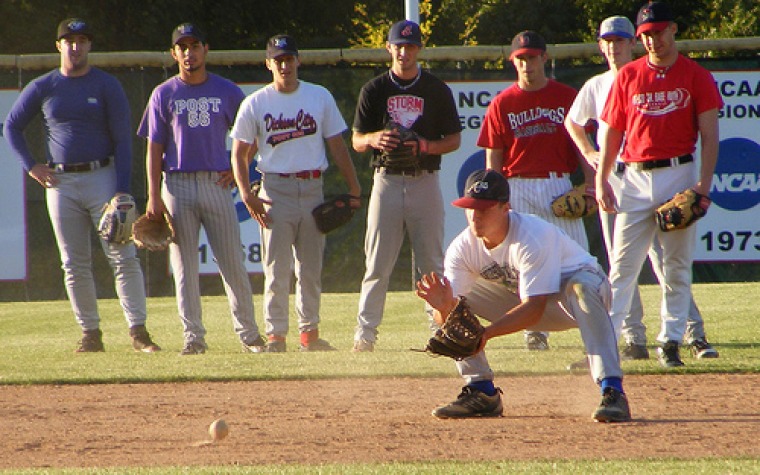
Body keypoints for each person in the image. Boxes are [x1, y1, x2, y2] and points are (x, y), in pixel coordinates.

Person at [416, 169, 631, 423]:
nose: (475, 216)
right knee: (450, 302)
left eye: (483, 208)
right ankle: (481, 391)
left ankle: (612, 390)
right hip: (524, 297)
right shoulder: (462, 249)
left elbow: (534, 308)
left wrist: (486, 334)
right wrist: (445, 309)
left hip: (577, 296)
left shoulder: (532, 236)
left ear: (505, 207)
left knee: (581, 288)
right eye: (470, 207)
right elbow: (450, 319)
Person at [565, 15, 718, 363]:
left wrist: (703, 186)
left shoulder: (696, 75)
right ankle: (605, 347)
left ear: (673, 29)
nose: (652, 40)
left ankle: (671, 341)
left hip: (678, 173)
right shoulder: (629, 76)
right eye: (645, 34)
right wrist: (601, 178)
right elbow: (613, 133)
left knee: (676, 265)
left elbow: (710, 135)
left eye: (657, 32)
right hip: (632, 177)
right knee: (621, 267)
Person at [3, 18, 160, 353]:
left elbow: (122, 140)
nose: (75, 46)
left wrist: (122, 190)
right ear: (58, 45)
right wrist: (31, 166)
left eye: (82, 40)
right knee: (74, 262)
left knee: (122, 254)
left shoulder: (106, 85)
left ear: (89, 45)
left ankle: (138, 331)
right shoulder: (43, 86)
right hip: (60, 181)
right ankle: (90, 334)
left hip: (102, 176)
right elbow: (12, 126)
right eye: (69, 40)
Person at [137, 23, 265, 355]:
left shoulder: (227, 91)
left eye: (195, 46)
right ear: (174, 53)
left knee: (232, 263)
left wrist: (238, 171)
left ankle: (249, 335)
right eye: (183, 47)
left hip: (215, 183)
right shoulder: (164, 93)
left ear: (205, 50)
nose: (189, 52)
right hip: (176, 185)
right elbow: (154, 149)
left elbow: (251, 134)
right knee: (184, 268)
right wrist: (153, 195)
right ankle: (193, 338)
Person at [230, 34, 362, 352]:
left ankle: (309, 334)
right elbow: (239, 153)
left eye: (289, 59)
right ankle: (276, 336)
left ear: (298, 61)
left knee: (310, 268)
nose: (285, 65)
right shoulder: (257, 102)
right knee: (277, 269)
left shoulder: (319, 97)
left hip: (313, 187)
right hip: (275, 189)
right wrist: (246, 193)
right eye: (278, 60)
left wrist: (354, 187)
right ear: (268, 64)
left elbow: (336, 145)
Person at [478, 30, 593, 351]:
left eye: (532, 57)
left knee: (578, 261)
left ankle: (591, 326)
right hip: (517, 187)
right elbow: (494, 158)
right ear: (513, 62)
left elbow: (585, 146)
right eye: (521, 59)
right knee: (524, 264)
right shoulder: (502, 104)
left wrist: (591, 185)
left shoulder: (567, 97)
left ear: (544, 57)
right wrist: (494, 199)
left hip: (560, 185)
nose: (527, 64)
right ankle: (534, 330)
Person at [351, 20, 462, 352]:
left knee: (431, 262)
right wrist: (373, 138)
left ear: (418, 50)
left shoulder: (435, 89)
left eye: (410, 46)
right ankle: (365, 334)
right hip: (386, 181)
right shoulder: (374, 90)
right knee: (377, 263)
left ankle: (439, 327)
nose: (404, 51)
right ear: (389, 48)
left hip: (424, 181)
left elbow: (454, 139)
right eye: (399, 45)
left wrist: (425, 147)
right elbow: (356, 140)